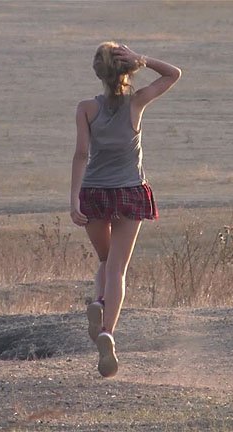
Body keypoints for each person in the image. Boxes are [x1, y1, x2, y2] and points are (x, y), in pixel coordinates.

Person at [70, 42, 181, 378]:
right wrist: (142, 59)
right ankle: (107, 331)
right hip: (130, 191)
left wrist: (74, 199)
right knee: (117, 268)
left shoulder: (86, 108)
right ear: (127, 70)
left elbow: (81, 154)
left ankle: (98, 301)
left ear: (98, 72)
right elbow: (173, 74)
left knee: (105, 260)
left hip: (94, 193)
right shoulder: (137, 102)